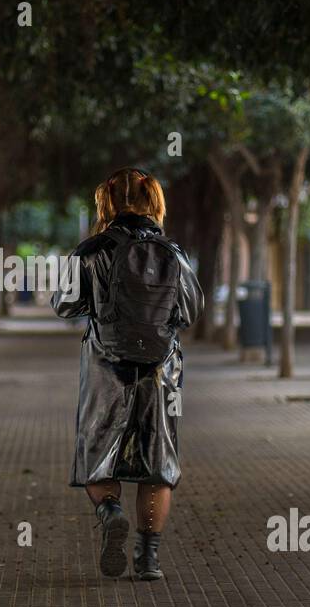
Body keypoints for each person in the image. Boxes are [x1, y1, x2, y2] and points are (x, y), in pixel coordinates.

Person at [52, 168, 203, 580]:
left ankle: (110, 511)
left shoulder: (91, 250)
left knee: (95, 456)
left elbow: (64, 305)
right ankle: (148, 559)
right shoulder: (173, 253)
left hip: (105, 369)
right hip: (162, 373)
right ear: (155, 203)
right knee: (158, 463)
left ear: (106, 203)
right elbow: (189, 312)